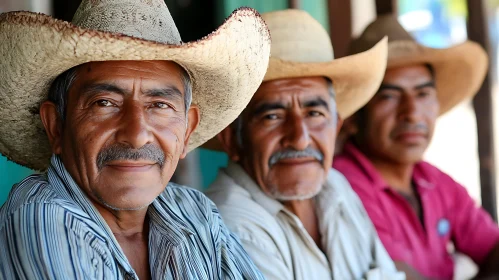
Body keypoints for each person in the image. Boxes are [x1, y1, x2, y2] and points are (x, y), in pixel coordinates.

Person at [0, 0, 271, 279]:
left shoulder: (195, 211)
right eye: (104, 103)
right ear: (56, 125)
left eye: (159, 105)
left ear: (187, 129)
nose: (137, 135)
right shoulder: (41, 219)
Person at [204, 9, 404, 280]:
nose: (300, 138)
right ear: (232, 139)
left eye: (315, 114)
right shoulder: (232, 225)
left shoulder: (336, 187)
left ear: (336, 127)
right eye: (272, 117)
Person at [333, 15, 499, 280]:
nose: (411, 113)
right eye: (389, 96)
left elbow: (492, 246)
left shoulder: (433, 181)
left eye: (422, 94)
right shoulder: (342, 187)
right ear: (354, 116)